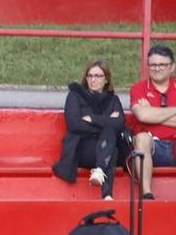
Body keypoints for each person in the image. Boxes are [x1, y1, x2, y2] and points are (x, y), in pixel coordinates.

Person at [128, 44, 176, 200]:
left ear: (172, 67)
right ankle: (146, 194)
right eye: (153, 65)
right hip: (153, 147)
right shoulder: (138, 88)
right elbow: (143, 116)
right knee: (141, 138)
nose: (157, 68)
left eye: (162, 64)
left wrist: (153, 113)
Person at [54, 60, 129, 201]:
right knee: (110, 137)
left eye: (98, 76)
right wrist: (106, 120)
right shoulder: (75, 96)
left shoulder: (113, 99)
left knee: (110, 139)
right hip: (82, 148)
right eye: (90, 76)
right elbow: (74, 124)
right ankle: (106, 193)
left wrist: (93, 119)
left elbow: (119, 123)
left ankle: (101, 174)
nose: (93, 80)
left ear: (106, 79)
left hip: (105, 147)